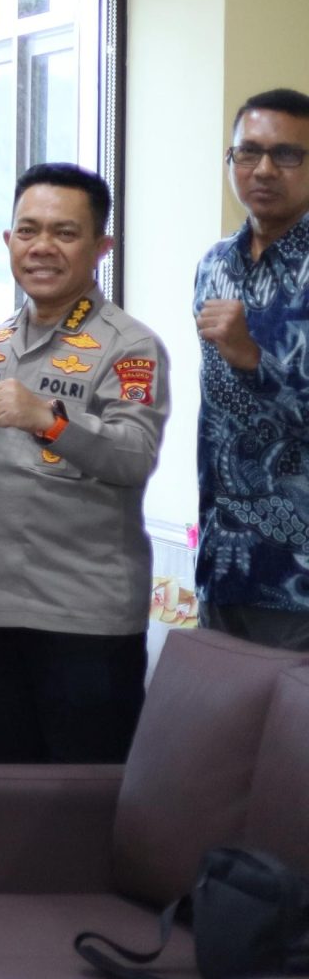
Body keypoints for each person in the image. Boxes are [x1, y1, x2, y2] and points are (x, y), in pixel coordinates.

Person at [0, 163, 168, 761]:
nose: (42, 247)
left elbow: (134, 455)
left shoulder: (129, 345)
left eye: (64, 233)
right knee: (10, 792)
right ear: (8, 240)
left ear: (101, 247)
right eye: (28, 230)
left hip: (86, 621)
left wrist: (50, 420)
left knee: (84, 799)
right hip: (0, 614)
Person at [192, 89, 309, 649]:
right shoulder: (215, 264)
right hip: (223, 559)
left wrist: (252, 359)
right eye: (248, 152)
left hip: (299, 576)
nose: (263, 169)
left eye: (286, 154)